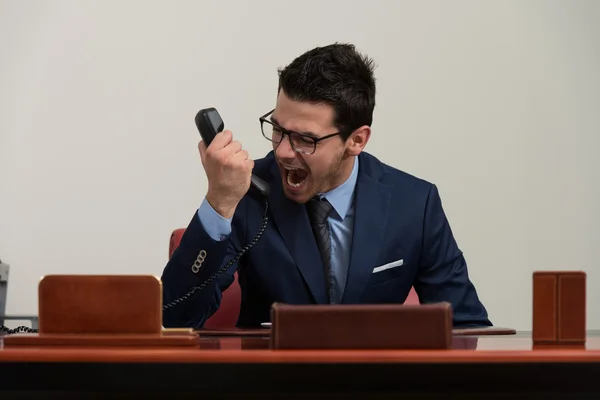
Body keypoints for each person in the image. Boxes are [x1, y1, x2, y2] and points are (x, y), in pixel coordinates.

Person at [161, 43, 492, 328]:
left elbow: (467, 329)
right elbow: (173, 319)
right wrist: (220, 202)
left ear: (356, 141)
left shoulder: (415, 204)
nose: (282, 150)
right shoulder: (246, 191)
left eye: (305, 139)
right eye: (278, 129)